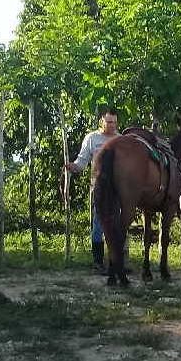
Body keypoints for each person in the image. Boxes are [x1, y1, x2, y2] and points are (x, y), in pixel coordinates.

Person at [65, 109, 119, 273]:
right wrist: (73, 167)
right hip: (99, 188)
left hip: (117, 188)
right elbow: (82, 162)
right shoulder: (92, 138)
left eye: (115, 122)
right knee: (98, 224)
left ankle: (115, 263)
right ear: (102, 121)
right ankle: (97, 262)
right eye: (109, 122)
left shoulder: (120, 139)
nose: (112, 125)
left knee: (117, 224)